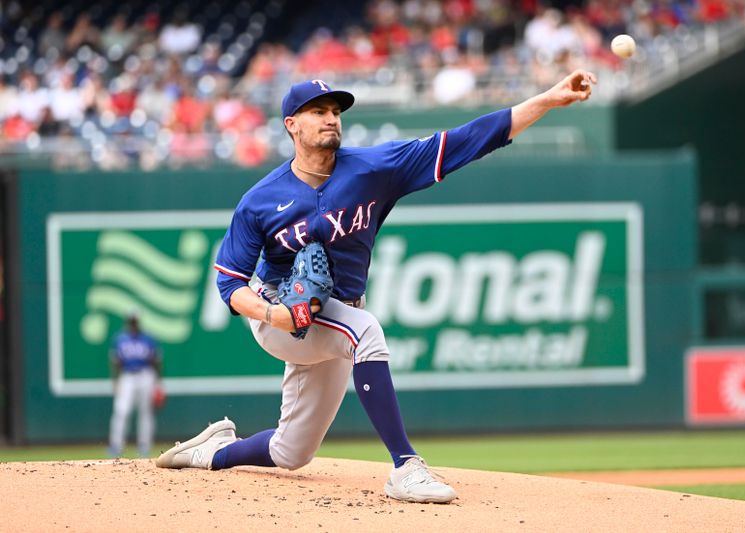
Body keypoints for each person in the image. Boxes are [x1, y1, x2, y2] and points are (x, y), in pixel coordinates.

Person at [156, 70, 597, 503]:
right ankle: (406, 466)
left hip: (334, 312)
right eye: (317, 111)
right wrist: (274, 313)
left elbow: (467, 139)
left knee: (291, 452)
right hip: (278, 314)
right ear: (291, 125)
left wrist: (548, 99)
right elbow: (229, 281)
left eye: (335, 111)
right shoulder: (260, 199)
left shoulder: (373, 168)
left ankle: (212, 451)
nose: (331, 118)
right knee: (365, 331)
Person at [109, 312, 163, 457]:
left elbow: (156, 361)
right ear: (127, 323)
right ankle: (116, 445)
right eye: (131, 321)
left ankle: (144, 446)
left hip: (146, 375)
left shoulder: (148, 338)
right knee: (122, 411)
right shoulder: (120, 339)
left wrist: (158, 383)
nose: (133, 324)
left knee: (146, 412)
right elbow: (115, 362)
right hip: (127, 376)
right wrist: (116, 381)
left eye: (134, 321)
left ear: (138, 322)